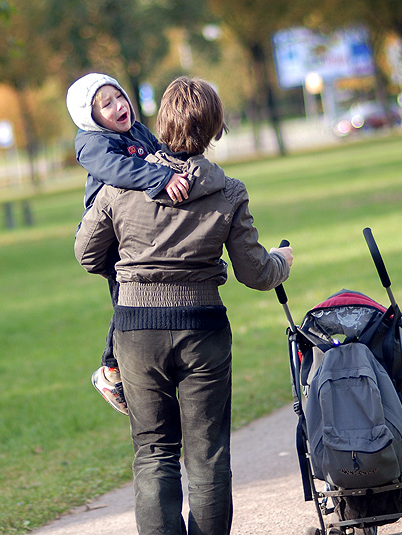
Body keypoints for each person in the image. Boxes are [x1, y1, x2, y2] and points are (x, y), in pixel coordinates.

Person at [74, 76, 294, 535]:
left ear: (162, 121)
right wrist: (282, 261)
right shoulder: (229, 191)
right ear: (214, 129)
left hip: (135, 333)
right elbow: (256, 274)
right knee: (208, 452)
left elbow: (87, 254)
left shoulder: (120, 184)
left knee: (154, 452)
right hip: (203, 330)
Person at [66, 72, 190, 416]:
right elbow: (118, 169)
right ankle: (110, 370)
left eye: (119, 96)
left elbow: (160, 154)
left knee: (144, 301)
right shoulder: (93, 143)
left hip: (138, 233)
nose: (119, 106)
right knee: (128, 304)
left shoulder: (136, 130)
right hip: (110, 238)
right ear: (89, 117)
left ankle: (147, 365)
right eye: (106, 104)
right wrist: (162, 178)